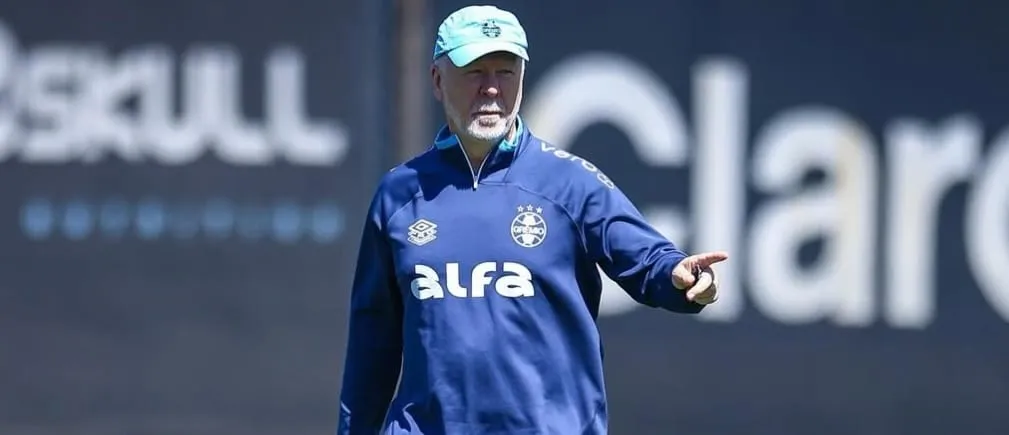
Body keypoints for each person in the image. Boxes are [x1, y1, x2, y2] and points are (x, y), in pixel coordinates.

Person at [337, 4, 727, 434]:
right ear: (436, 79)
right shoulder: (398, 193)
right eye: (474, 72)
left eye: (505, 72)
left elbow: (650, 261)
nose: (491, 89)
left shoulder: (570, 184)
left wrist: (681, 278)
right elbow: (372, 343)